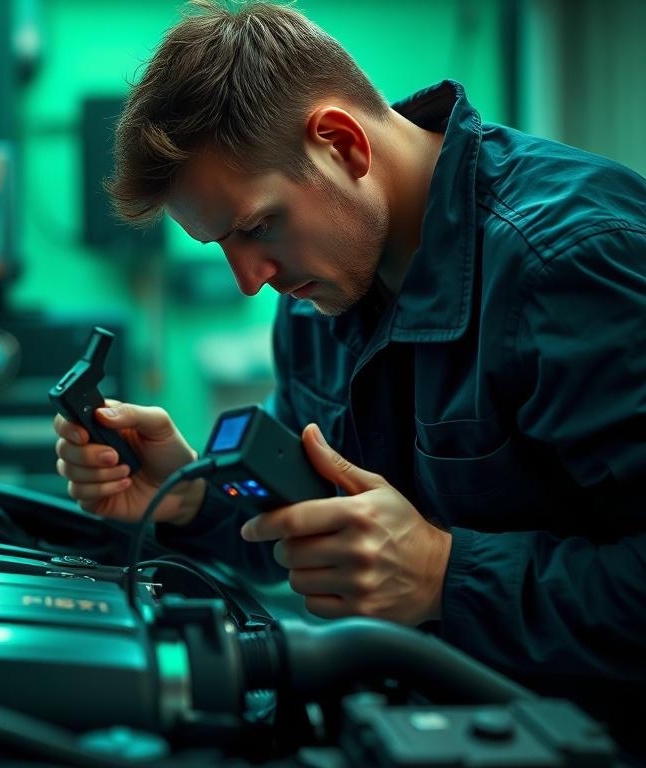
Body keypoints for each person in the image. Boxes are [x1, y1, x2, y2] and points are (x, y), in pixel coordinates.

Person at [52, 0, 646, 753]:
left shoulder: (572, 261)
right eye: (220, 246)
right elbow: (318, 524)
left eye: (256, 226)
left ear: (340, 143)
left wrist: (442, 574)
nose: (248, 279)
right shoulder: (315, 302)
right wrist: (194, 498)